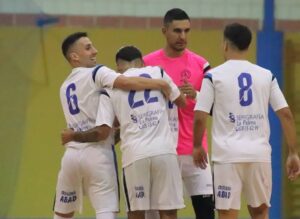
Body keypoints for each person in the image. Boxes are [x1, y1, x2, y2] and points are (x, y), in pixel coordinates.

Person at [54, 32, 173, 219]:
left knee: (62, 213)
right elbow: (125, 82)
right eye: (88, 47)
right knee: (105, 211)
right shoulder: (97, 72)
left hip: (71, 157)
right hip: (97, 155)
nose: (95, 51)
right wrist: (160, 83)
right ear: (74, 56)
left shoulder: (64, 86)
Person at [193, 23, 300, 219]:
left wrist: (197, 146)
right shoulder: (266, 75)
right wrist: (293, 152)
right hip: (259, 155)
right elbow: (286, 114)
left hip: (227, 156)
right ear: (248, 47)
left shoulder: (213, 76)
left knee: (227, 214)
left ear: (225, 45)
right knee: (260, 213)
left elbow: (200, 117)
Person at [143, 8, 214, 219]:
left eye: (186, 31)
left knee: (205, 212)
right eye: (177, 31)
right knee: (158, 214)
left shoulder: (202, 65)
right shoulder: (147, 63)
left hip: (195, 152)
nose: (183, 36)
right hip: (160, 150)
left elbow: (217, 107)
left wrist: (199, 95)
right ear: (164, 30)